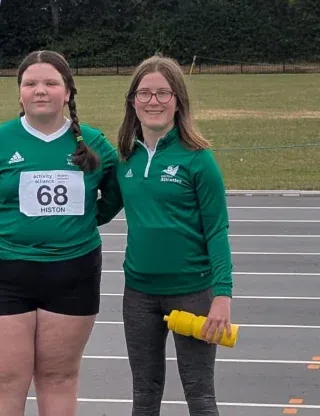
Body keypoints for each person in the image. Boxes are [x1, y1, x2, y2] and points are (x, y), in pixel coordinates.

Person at [0, 50, 120, 416]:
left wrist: (87, 218)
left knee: (59, 379)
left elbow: (115, 192)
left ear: (68, 93)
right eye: (30, 83)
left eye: (50, 83)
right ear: (20, 93)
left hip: (73, 273)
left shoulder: (95, 144)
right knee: (6, 380)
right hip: (6, 273)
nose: (40, 91)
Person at [96, 55, 234, 416]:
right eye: (144, 93)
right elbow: (98, 211)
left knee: (200, 395)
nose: (153, 101)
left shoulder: (198, 159)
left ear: (178, 100)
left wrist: (222, 296)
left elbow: (217, 230)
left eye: (162, 93)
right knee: (144, 393)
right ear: (132, 102)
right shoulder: (125, 159)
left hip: (193, 292)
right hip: (139, 294)